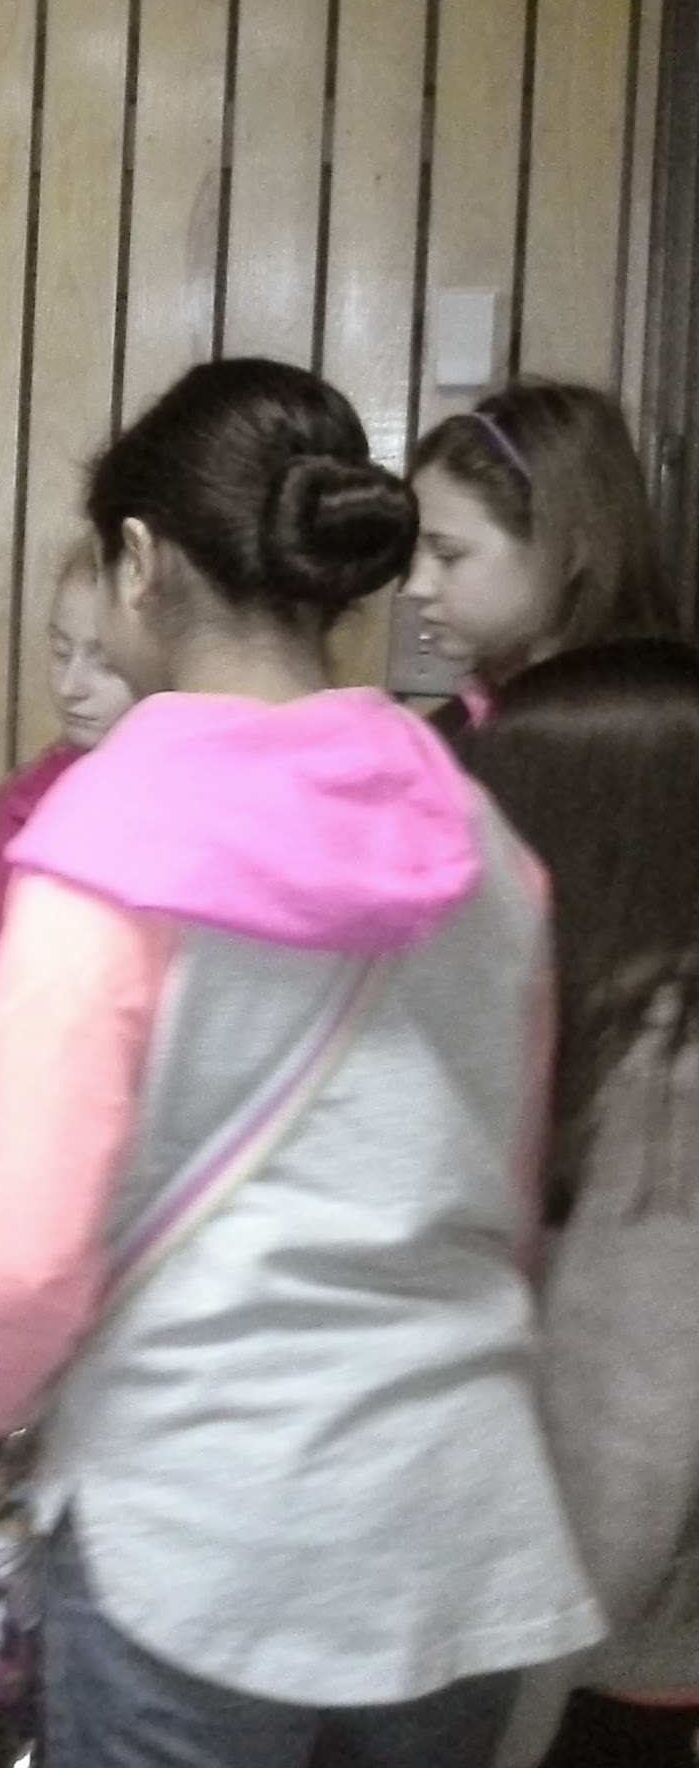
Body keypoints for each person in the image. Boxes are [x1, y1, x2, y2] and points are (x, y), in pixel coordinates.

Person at [0, 357, 602, 1768]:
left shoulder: (107, 844)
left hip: (200, 1535)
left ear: (140, 563)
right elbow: (508, 1188)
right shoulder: (479, 840)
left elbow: (9, 1265)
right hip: (456, 1521)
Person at [459, 640, 699, 1768]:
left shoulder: (666, 1082)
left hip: (618, 1660)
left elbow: (624, 1443)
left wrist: (514, 1710)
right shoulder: (622, 1023)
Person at [0, 535, 135, 1126]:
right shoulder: (20, 808)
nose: (71, 685)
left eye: (105, 663)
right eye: (61, 651)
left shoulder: (208, 808)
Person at [403, 380, 683, 731]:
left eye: (448, 555)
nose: (415, 587)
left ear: (571, 550)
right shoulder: (459, 725)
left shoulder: (649, 730)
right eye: (414, 553)